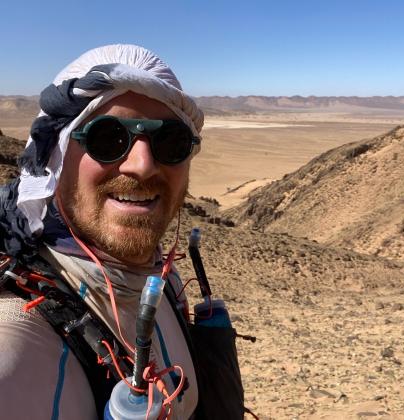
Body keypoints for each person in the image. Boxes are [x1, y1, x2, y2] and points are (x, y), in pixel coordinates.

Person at [0, 45, 244, 420]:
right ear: (55, 157)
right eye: (108, 138)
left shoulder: (163, 279)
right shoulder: (17, 345)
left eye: (171, 142)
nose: (143, 165)